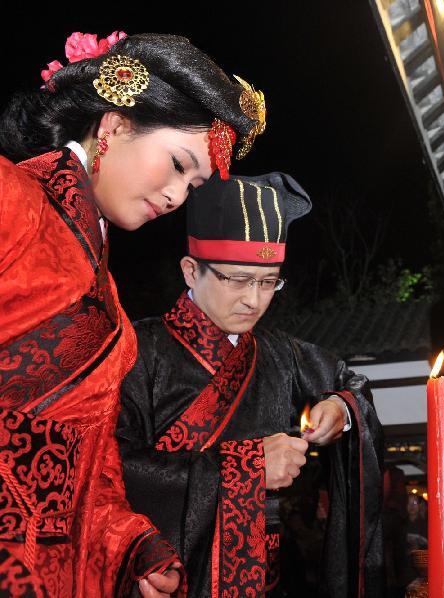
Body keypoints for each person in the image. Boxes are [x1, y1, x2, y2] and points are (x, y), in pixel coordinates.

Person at [0, 31, 263, 597]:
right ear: (114, 125)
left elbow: (91, 466)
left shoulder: (112, 301)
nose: (175, 197)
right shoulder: (11, 198)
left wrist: (129, 545)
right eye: (175, 164)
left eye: (190, 186)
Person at [115, 172, 384, 597]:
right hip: (168, 576)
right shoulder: (134, 350)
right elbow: (109, 467)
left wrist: (339, 410)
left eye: (268, 282)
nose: (253, 300)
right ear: (191, 270)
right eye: (237, 279)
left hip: (268, 579)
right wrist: (249, 467)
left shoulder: (281, 354)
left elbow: (349, 385)